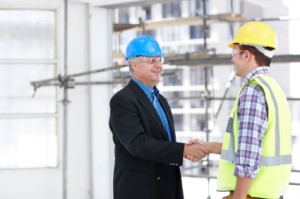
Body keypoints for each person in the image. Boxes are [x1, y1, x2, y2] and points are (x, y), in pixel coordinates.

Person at [189, 21, 292, 199]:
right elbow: (255, 145)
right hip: (272, 193)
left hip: (251, 194)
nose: (232, 59)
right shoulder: (273, 88)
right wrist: (209, 147)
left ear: (246, 55)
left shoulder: (253, 90)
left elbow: (248, 153)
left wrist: (238, 197)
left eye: (234, 53)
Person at [109, 34, 207, 199]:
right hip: (140, 190)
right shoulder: (122, 100)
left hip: (168, 186)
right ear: (133, 64)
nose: (159, 65)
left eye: (160, 59)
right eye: (151, 60)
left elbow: (164, 143)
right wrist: (183, 150)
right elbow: (138, 144)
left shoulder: (161, 100)